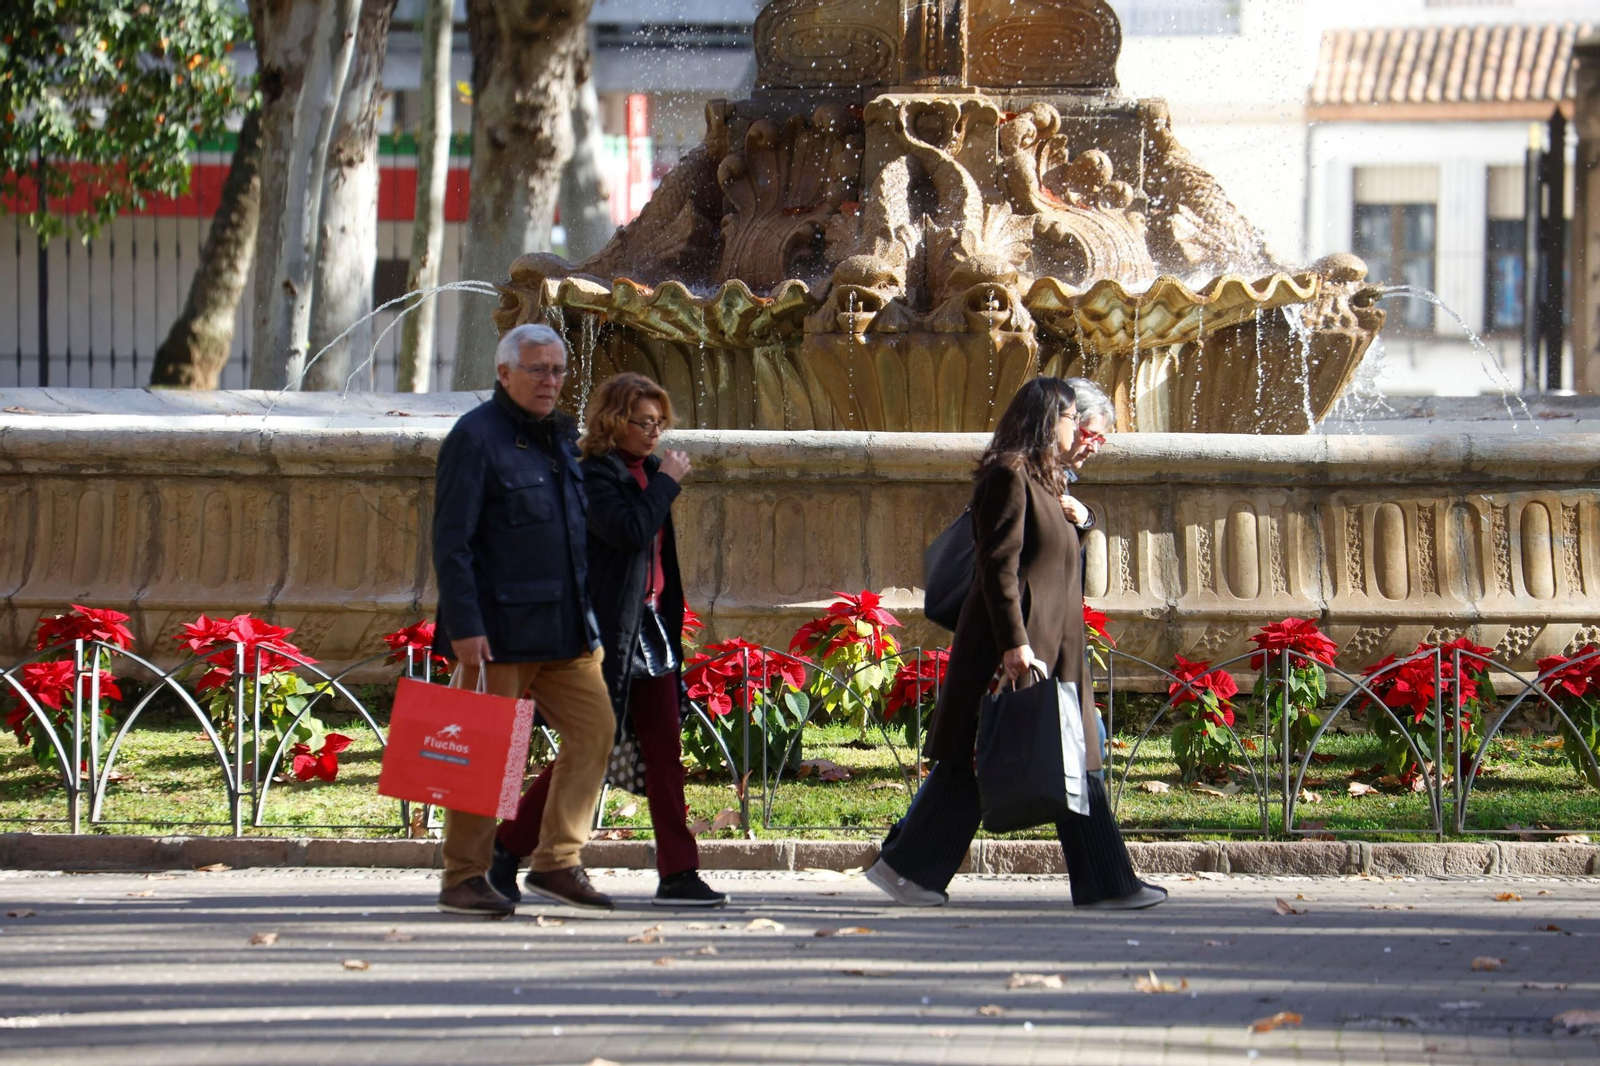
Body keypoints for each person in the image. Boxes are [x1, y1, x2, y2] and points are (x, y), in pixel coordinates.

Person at [866, 377, 1166, 910]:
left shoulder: (1045, 481)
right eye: (1072, 418)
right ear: (1046, 419)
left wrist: (1082, 519)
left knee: (1050, 756)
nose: (1077, 430)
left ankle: (909, 870)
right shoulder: (1008, 475)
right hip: (1016, 648)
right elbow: (998, 568)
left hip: (1053, 644)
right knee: (995, 759)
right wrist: (1014, 646)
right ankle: (1104, 884)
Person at [488, 373, 728, 908]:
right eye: (643, 422)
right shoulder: (592, 475)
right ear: (615, 421)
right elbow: (626, 531)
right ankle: (506, 853)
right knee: (587, 750)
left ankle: (678, 873)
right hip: (607, 637)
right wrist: (666, 483)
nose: (653, 432)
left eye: (659, 423)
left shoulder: (646, 475)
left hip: (651, 633)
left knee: (666, 753)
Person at [431, 322, 617, 916]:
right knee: (489, 755)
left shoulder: (561, 435)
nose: (550, 381)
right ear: (504, 372)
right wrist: (464, 625)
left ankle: (557, 861)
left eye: (558, 370)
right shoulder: (474, 437)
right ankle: (464, 877)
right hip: (497, 632)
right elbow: (451, 542)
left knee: (596, 730)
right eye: (537, 369)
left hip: (564, 628)